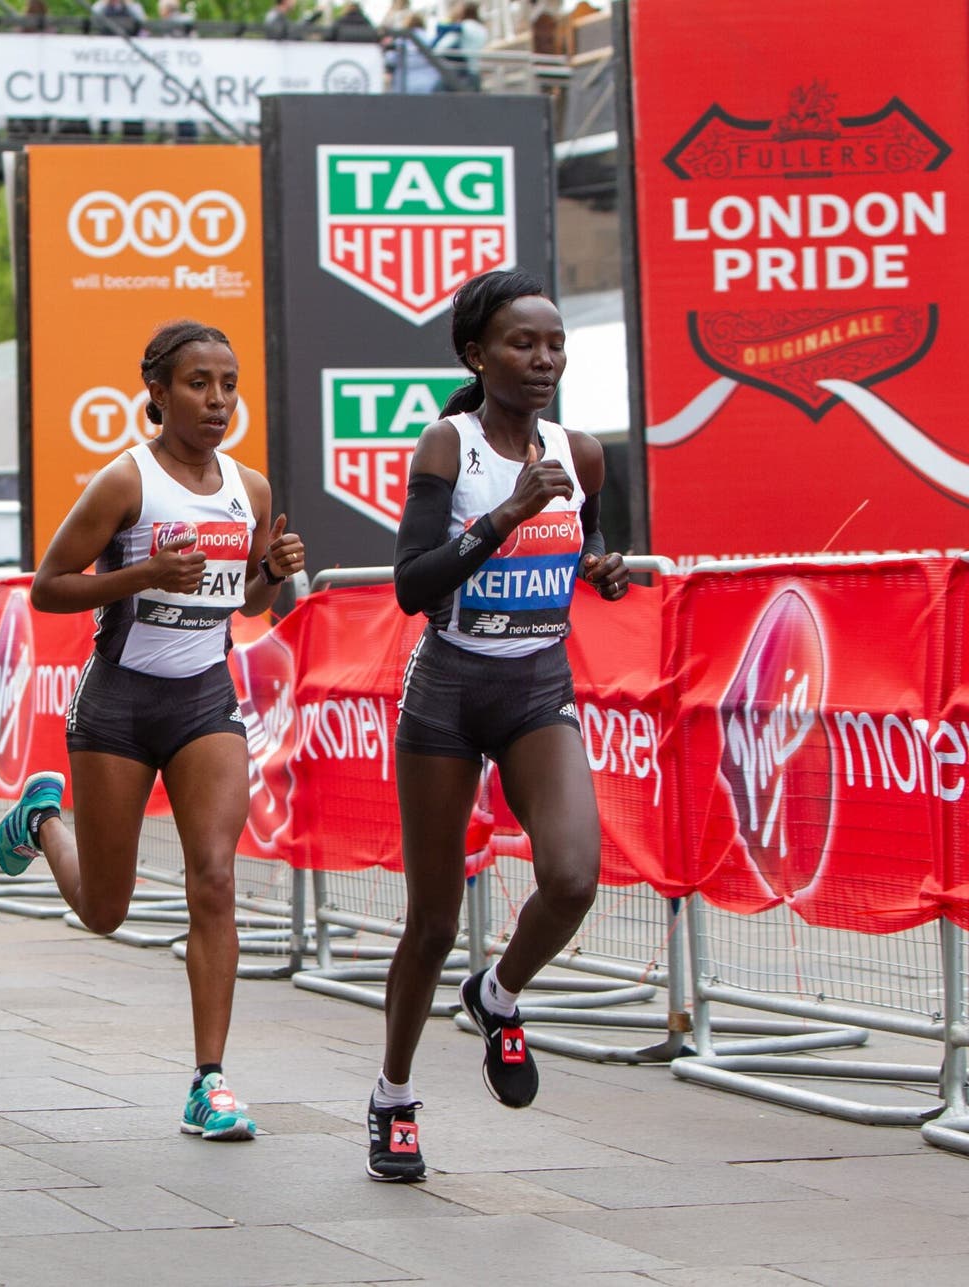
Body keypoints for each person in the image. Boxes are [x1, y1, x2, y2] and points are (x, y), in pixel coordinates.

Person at [0, 321, 304, 1144]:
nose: (217, 400)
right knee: (105, 908)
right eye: (199, 383)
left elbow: (249, 607)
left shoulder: (252, 489)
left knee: (214, 878)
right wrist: (140, 575)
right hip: (120, 705)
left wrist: (269, 570)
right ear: (158, 392)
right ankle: (42, 820)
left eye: (229, 384)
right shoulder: (123, 482)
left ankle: (210, 1080)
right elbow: (50, 588)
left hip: (204, 700)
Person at [368, 269, 628, 1182]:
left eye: (555, 342)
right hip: (448, 690)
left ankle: (500, 992)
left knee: (573, 876)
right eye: (525, 343)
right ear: (478, 356)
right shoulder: (451, 445)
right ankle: (393, 1098)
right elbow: (412, 583)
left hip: (534, 688)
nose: (546, 358)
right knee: (433, 920)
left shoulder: (581, 452)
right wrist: (510, 513)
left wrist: (598, 567)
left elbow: (586, 536)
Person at [431, 2, 489, 90]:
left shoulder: (467, 25)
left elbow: (442, 28)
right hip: (474, 70)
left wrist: (451, 17)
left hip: (463, 72)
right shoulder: (482, 29)